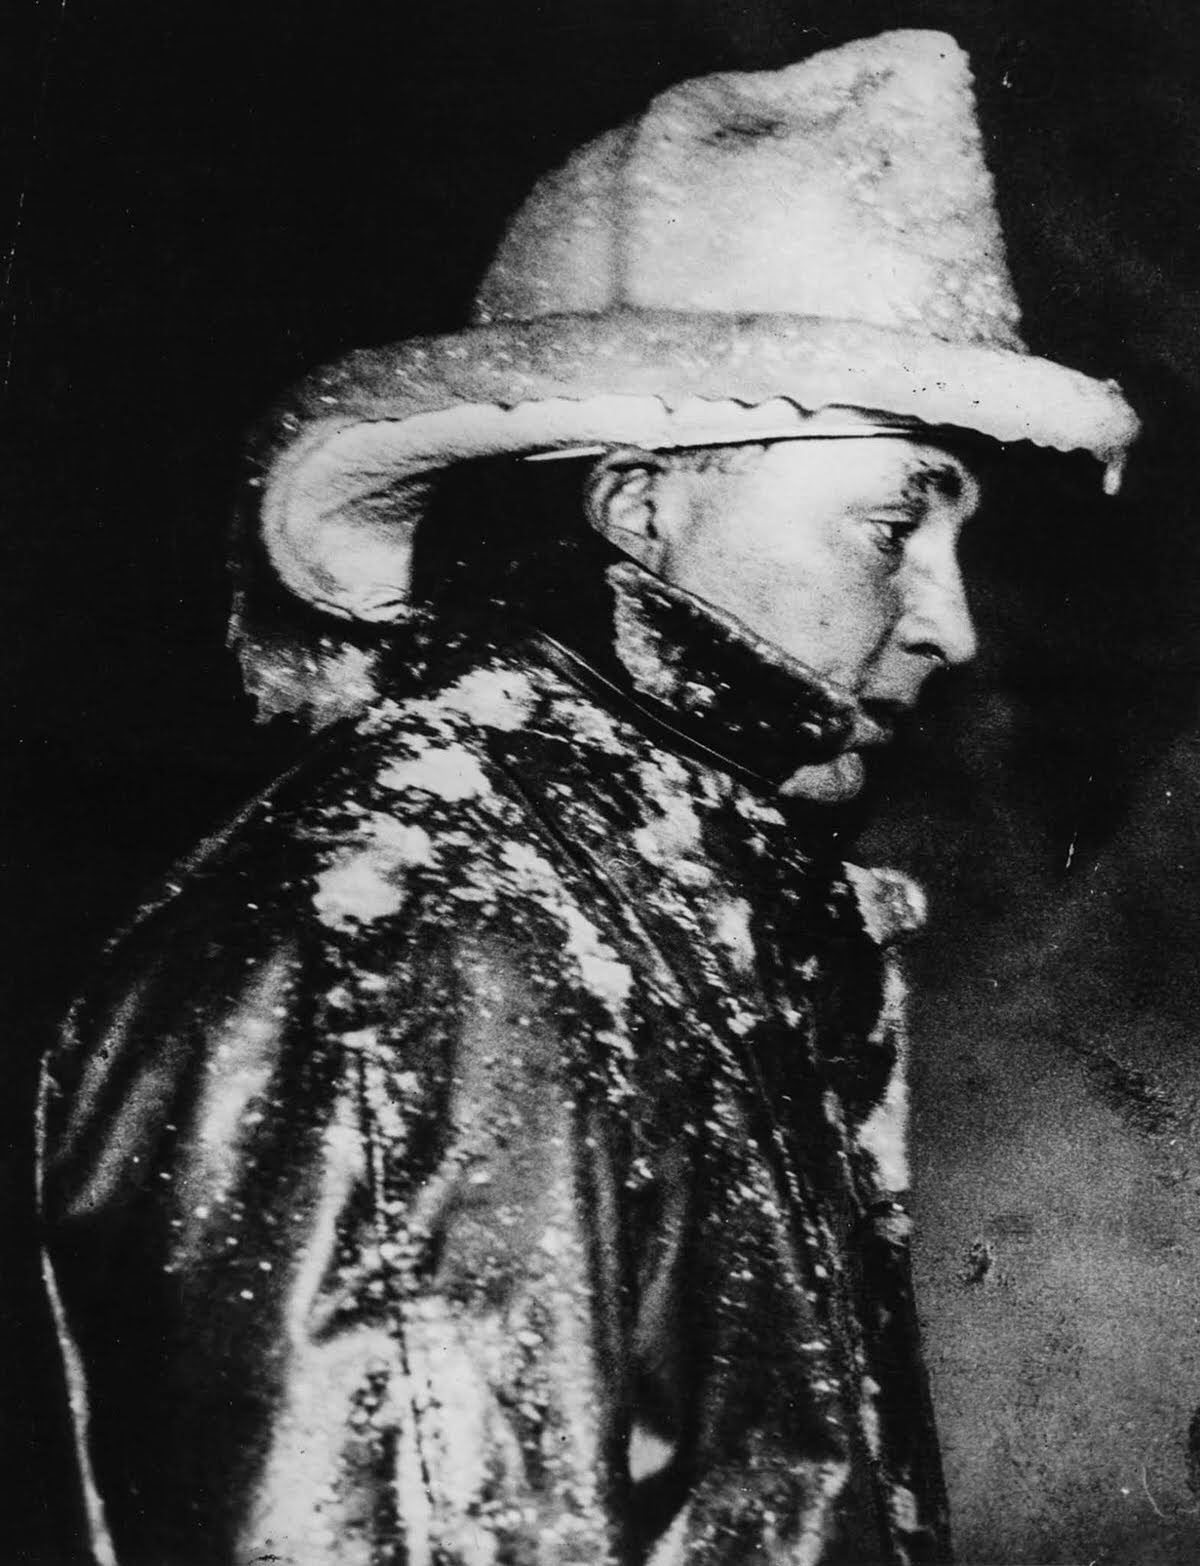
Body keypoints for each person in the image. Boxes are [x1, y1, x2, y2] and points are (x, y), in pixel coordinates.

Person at [37, 29, 1138, 1566]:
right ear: (642, 511)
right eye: (895, 521)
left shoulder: (655, 907)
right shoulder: (423, 946)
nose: (951, 626)